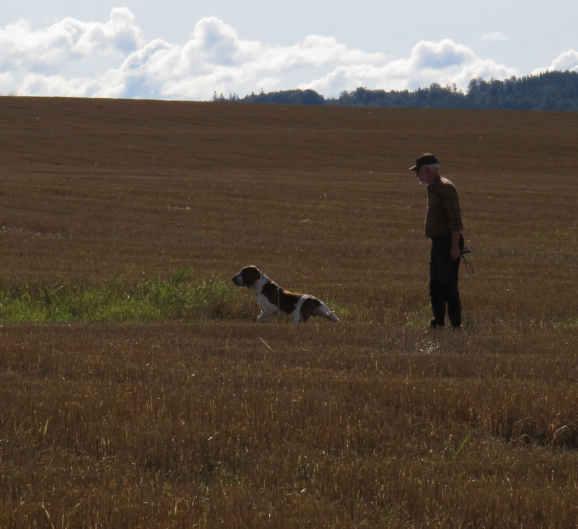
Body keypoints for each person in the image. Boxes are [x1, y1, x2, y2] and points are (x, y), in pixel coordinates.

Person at [409, 153, 464, 329]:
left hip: (448, 242)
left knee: (448, 284)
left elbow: (455, 221)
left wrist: (455, 247)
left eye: (418, 172)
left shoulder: (445, 188)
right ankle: (438, 321)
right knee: (436, 284)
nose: (417, 176)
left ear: (428, 170)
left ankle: (455, 323)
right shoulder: (433, 188)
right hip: (439, 242)